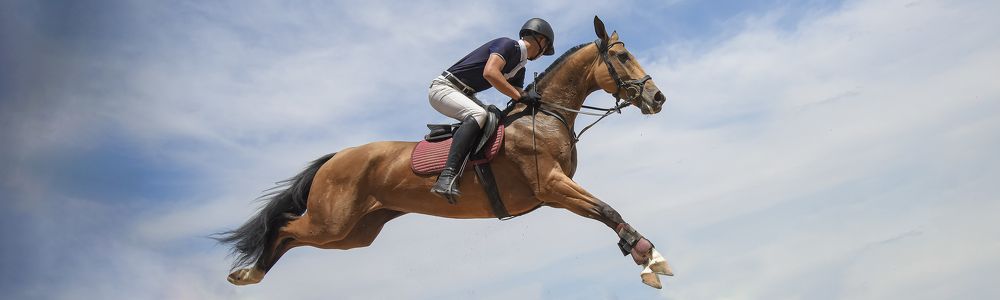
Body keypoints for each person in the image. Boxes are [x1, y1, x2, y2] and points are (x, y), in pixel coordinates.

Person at [428, 18, 555, 202]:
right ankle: (447, 176)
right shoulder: (508, 45)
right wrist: (520, 95)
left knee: (493, 116)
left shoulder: (519, 68)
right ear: (541, 41)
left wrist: (533, 96)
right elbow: (490, 72)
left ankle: (454, 136)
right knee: (478, 114)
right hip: (444, 88)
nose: (542, 54)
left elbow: (516, 92)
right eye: (545, 50)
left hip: (465, 94)